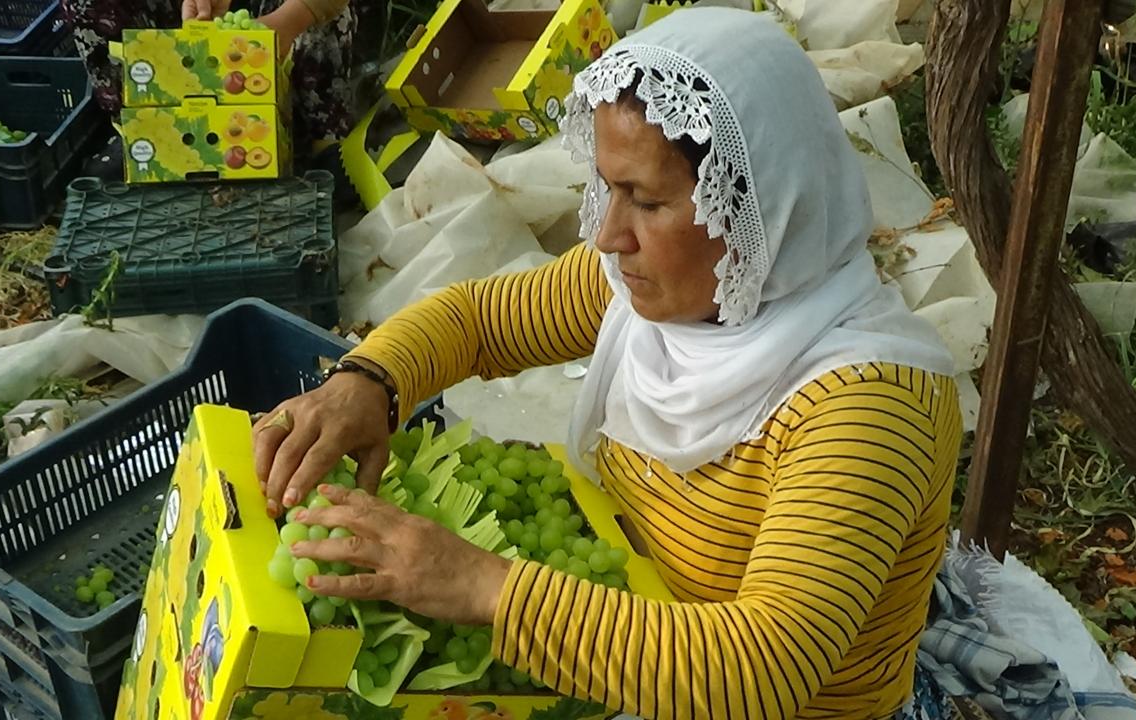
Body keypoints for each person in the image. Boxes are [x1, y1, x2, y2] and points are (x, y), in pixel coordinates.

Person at [253, 8, 964, 719]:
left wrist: (480, 585)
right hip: (623, 641)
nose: (607, 235)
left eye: (647, 202)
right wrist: (369, 380)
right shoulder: (654, 292)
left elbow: (761, 670)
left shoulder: (868, 406)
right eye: (606, 187)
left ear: (762, 209)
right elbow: (477, 321)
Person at [62, 0, 374, 176]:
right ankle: (148, 128)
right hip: (184, 26)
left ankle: (323, 145)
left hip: (284, 17)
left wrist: (287, 22)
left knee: (324, 18)